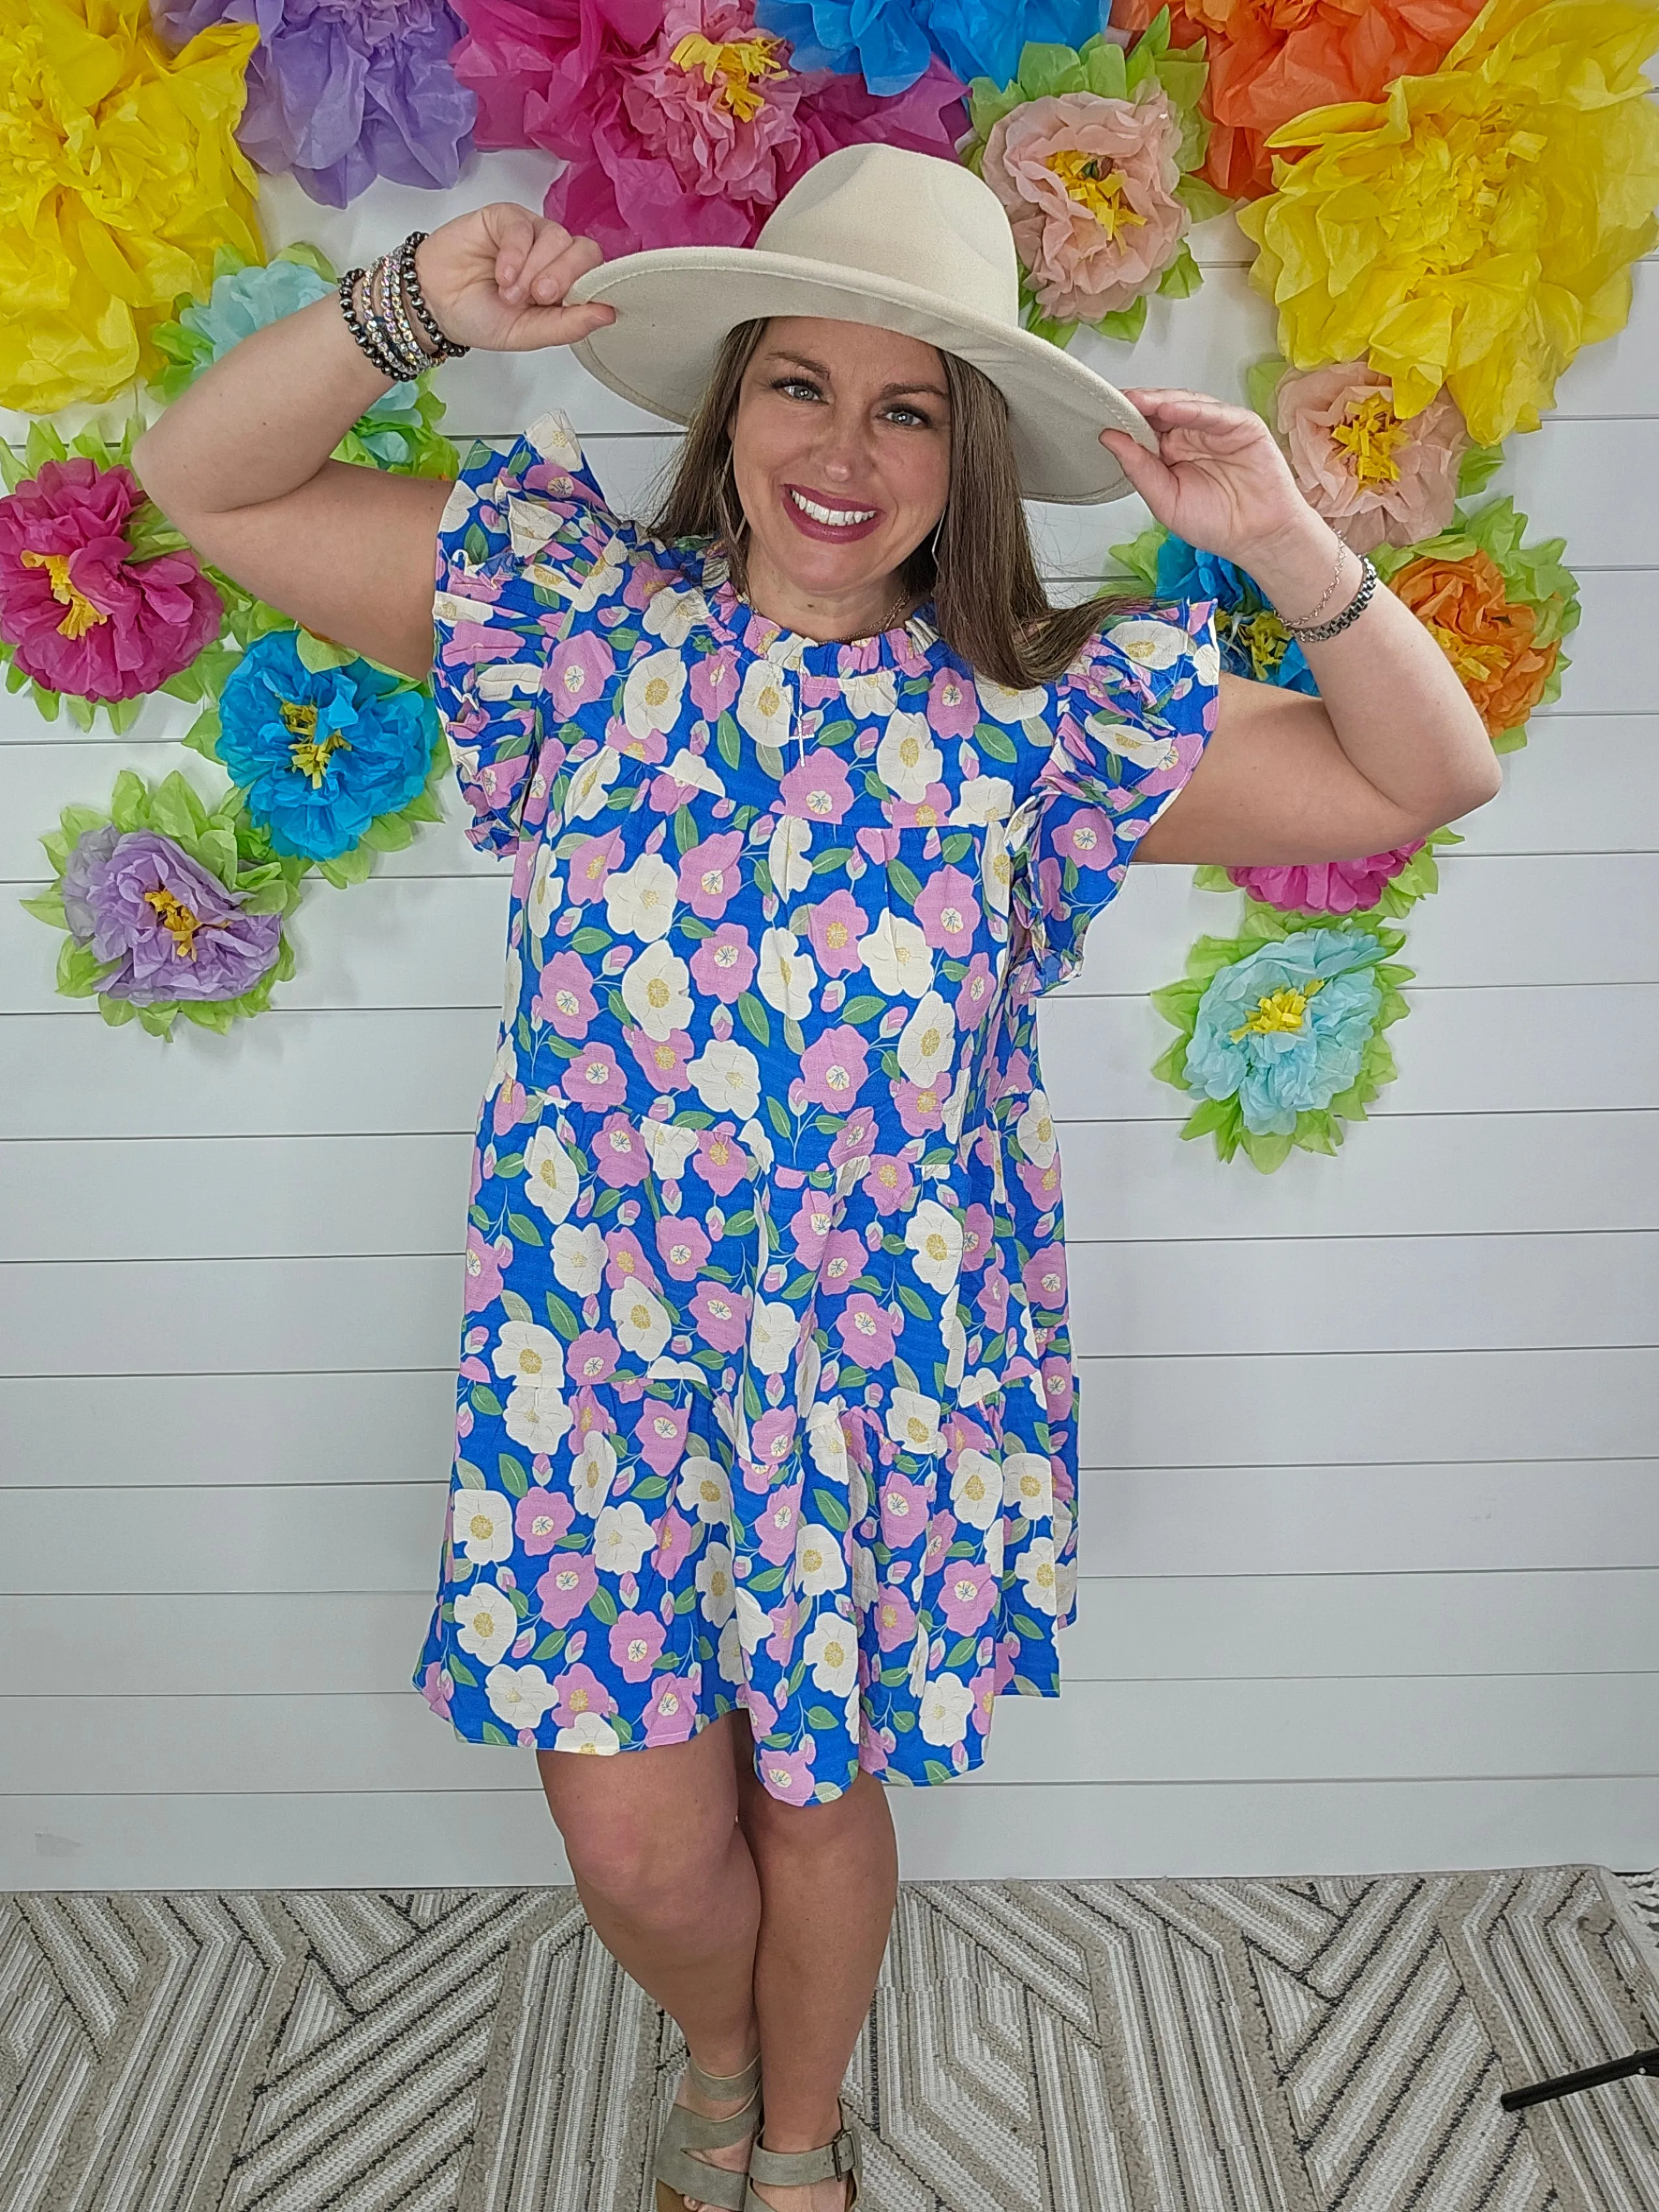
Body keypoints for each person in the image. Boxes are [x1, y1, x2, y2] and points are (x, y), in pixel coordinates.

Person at [133, 143, 1500, 2212]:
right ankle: (718, 2046)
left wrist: (1293, 544)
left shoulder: (1040, 721)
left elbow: (1429, 772)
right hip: (593, 1367)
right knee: (639, 1843)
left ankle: (790, 2147)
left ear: (965, 458)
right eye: (802, 385)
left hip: (877, 1376)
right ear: (730, 402)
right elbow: (207, 486)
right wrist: (411, 298)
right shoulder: (565, 627)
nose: (845, 450)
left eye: (909, 406)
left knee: (815, 1793)